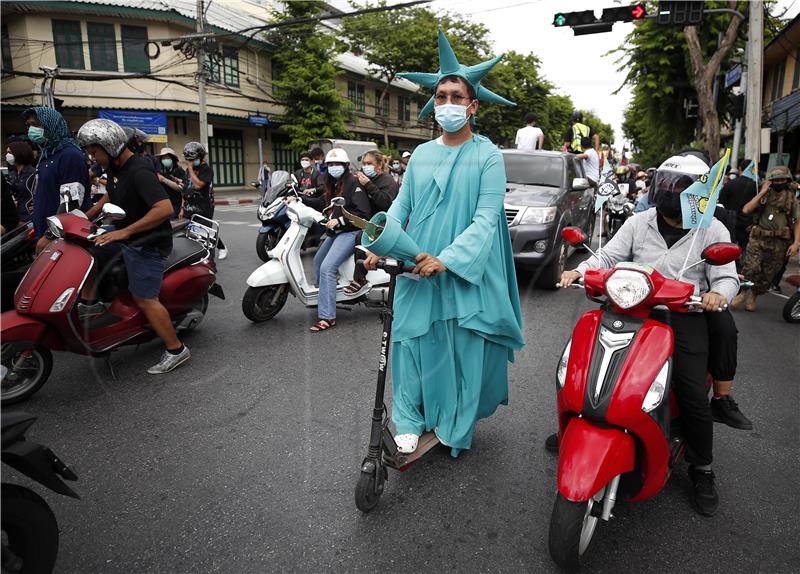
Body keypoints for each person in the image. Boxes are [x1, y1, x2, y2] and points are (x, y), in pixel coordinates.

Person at [363, 29, 525, 456]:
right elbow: (401, 207)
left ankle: (453, 420)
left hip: (460, 267)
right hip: (416, 261)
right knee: (410, 343)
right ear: (433, 103)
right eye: (442, 95)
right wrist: (376, 245)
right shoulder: (419, 154)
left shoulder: (488, 155)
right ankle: (411, 420)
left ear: (473, 106)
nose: (448, 103)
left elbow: (486, 219)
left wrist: (448, 260)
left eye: (457, 96)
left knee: (459, 350)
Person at [558, 153, 740, 516]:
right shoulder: (640, 221)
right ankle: (581, 425)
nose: (671, 193)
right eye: (668, 184)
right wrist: (579, 271)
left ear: (697, 193)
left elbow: (727, 276)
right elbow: (606, 257)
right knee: (581, 368)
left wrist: (718, 293)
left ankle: (702, 467)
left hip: (683, 313)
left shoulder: (713, 229)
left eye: (680, 187)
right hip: (629, 305)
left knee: (689, 391)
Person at [76, 118, 190, 375]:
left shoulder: (139, 170)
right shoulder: (117, 167)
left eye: (94, 152)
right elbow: (112, 192)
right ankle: (92, 303)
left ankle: (176, 349)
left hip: (147, 243)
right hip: (126, 236)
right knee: (88, 248)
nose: (92, 157)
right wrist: (87, 215)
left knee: (145, 299)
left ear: (110, 146)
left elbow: (163, 209)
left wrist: (123, 232)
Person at [299, 148, 371, 332]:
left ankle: (327, 316)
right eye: (330, 164)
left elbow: (363, 214)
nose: (333, 167)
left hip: (350, 231)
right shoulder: (333, 183)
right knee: (317, 262)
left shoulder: (353, 183)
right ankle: (329, 296)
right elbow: (323, 204)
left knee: (327, 268)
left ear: (345, 166)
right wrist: (299, 199)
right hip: (336, 231)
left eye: (337, 164)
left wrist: (339, 220)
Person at [23, 106, 91, 253]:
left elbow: (70, 204)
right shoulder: (47, 155)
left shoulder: (70, 156)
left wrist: (50, 234)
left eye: (36, 125)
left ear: (50, 125)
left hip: (62, 239)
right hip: (46, 236)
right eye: (29, 125)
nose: (31, 130)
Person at [732, 165, 800, 311]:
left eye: (782, 179)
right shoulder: (764, 195)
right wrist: (762, 192)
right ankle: (743, 292)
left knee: (768, 274)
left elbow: (797, 221)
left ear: (787, 180)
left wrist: (796, 243)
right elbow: (746, 209)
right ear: (770, 181)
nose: (778, 182)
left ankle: (754, 295)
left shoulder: (791, 199)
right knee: (750, 267)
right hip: (758, 238)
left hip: (779, 242)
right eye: (775, 180)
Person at [344, 149, 399, 295]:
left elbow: (386, 204)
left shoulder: (388, 181)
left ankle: (360, 278)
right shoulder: (366, 179)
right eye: (364, 164)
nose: (366, 166)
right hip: (368, 220)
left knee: (360, 237)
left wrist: (368, 184)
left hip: (384, 223)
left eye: (369, 163)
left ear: (379, 165)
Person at [182, 142, 228, 260]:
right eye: (188, 160)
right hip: (189, 206)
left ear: (200, 157)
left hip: (204, 207)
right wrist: (183, 207)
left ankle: (210, 260)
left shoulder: (206, 169)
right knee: (193, 231)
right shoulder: (188, 170)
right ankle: (196, 255)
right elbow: (186, 189)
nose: (190, 162)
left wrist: (191, 169)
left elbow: (198, 185)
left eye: (192, 159)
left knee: (205, 232)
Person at [718, 160, 757, 253]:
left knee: (728, 249)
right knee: (744, 250)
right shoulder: (756, 187)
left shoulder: (729, 184)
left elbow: (721, 204)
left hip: (729, 222)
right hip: (747, 224)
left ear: (740, 169)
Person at [5, 140, 36, 223]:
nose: (7, 155)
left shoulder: (33, 174)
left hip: (29, 218)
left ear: (20, 152)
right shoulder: (14, 173)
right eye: (7, 152)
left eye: (10, 152)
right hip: (17, 217)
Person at [156, 147, 186, 219]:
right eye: (163, 158)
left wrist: (164, 180)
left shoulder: (179, 171)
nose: (165, 160)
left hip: (175, 205)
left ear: (172, 159)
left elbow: (182, 189)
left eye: (167, 158)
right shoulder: (161, 171)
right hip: (165, 205)